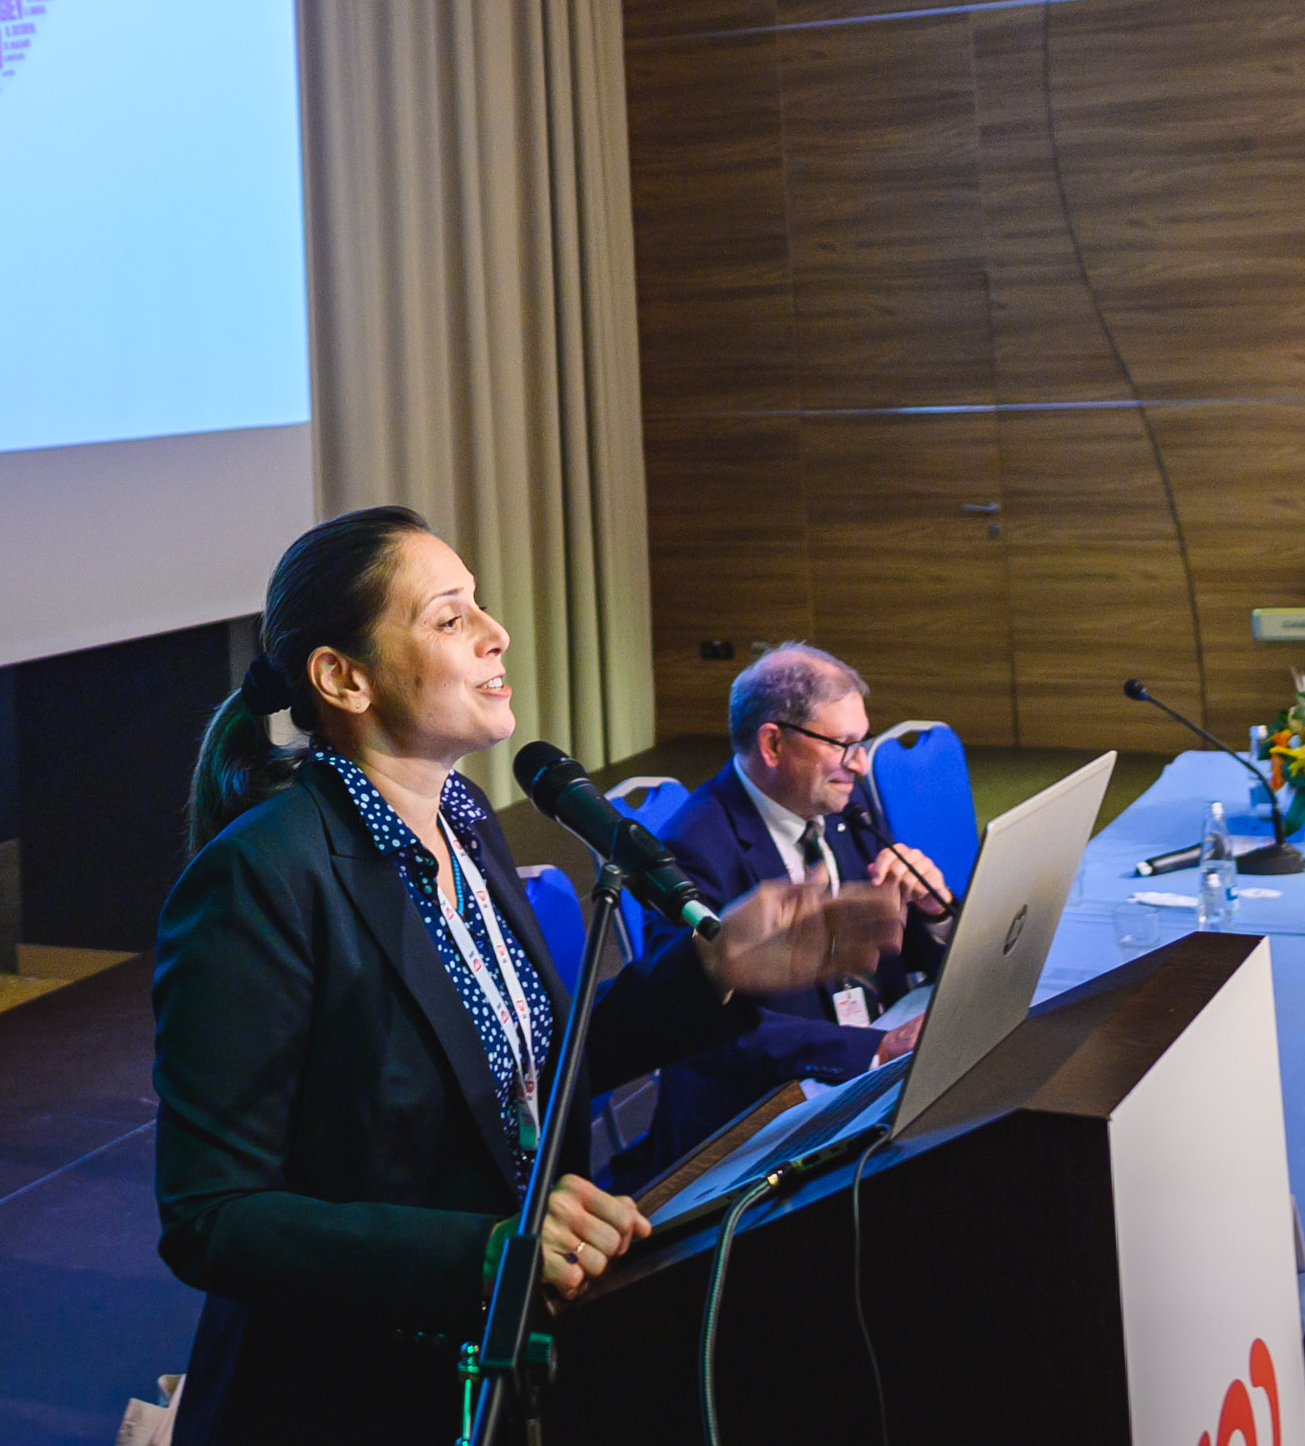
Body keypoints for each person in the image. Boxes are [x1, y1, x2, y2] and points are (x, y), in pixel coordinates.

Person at [151, 510, 911, 1446]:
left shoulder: (466, 818)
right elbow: (212, 1216)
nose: (496, 631)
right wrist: (484, 1252)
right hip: (350, 1392)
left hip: (505, 1359)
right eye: (449, 616)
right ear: (343, 677)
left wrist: (711, 970)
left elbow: (534, 1065)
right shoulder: (259, 874)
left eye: (479, 604)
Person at [627, 644, 958, 1181]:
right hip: (751, 1128)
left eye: (862, 742)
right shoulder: (688, 851)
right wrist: (874, 1049)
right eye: (844, 744)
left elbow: (903, 952)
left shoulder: (842, 807)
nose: (862, 764)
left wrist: (932, 911)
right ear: (774, 744)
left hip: (856, 1085)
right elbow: (702, 1032)